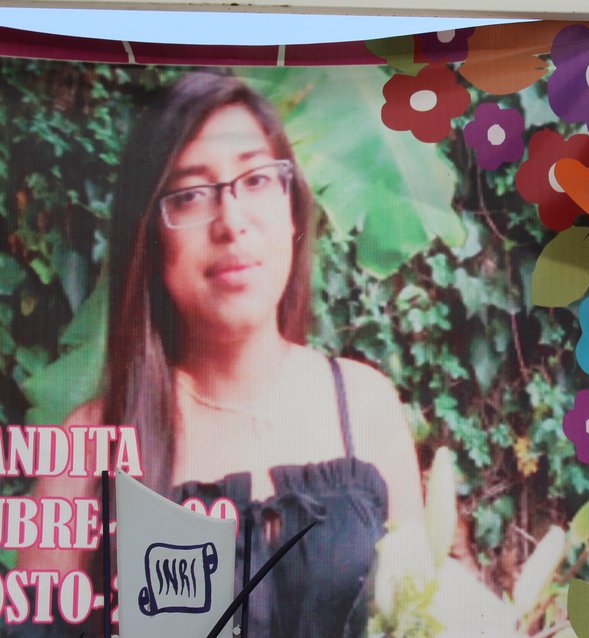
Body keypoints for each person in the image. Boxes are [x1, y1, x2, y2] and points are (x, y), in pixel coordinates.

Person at [16, 71, 429, 637]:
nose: (231, 222)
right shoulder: (89, 451)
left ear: (291, 212)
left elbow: (420, 611)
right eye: (189, 194)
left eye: (257, 180)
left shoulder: (367, 407)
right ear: (150, 236)